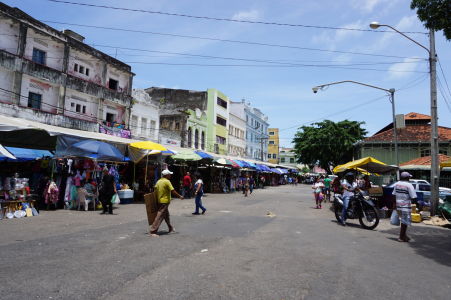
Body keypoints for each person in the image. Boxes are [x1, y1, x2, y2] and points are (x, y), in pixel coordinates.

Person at [150, 169, 184, 237]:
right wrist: (180, 196)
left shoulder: (158, 181)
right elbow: (173, 191)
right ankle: (153, 231)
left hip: (159, 201)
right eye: (169, 174)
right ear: (166, 175)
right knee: (159, 216)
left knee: (166, 215)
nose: (170, 175)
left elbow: (155, 191)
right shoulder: (167, 181)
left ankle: (170, 228)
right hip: (164, 202)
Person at [392, 172, 417, 242]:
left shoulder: (397, 184)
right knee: (404, 222)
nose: (409, 178)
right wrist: (416, 205)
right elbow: (413, 197)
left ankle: (404, 235)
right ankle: (401, 237)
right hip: (405, 206)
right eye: (409, 177)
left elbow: (393, 194)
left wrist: (394, 204)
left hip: (398, 205)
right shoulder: (409, 185)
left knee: (403, 221)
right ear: (407, 178)